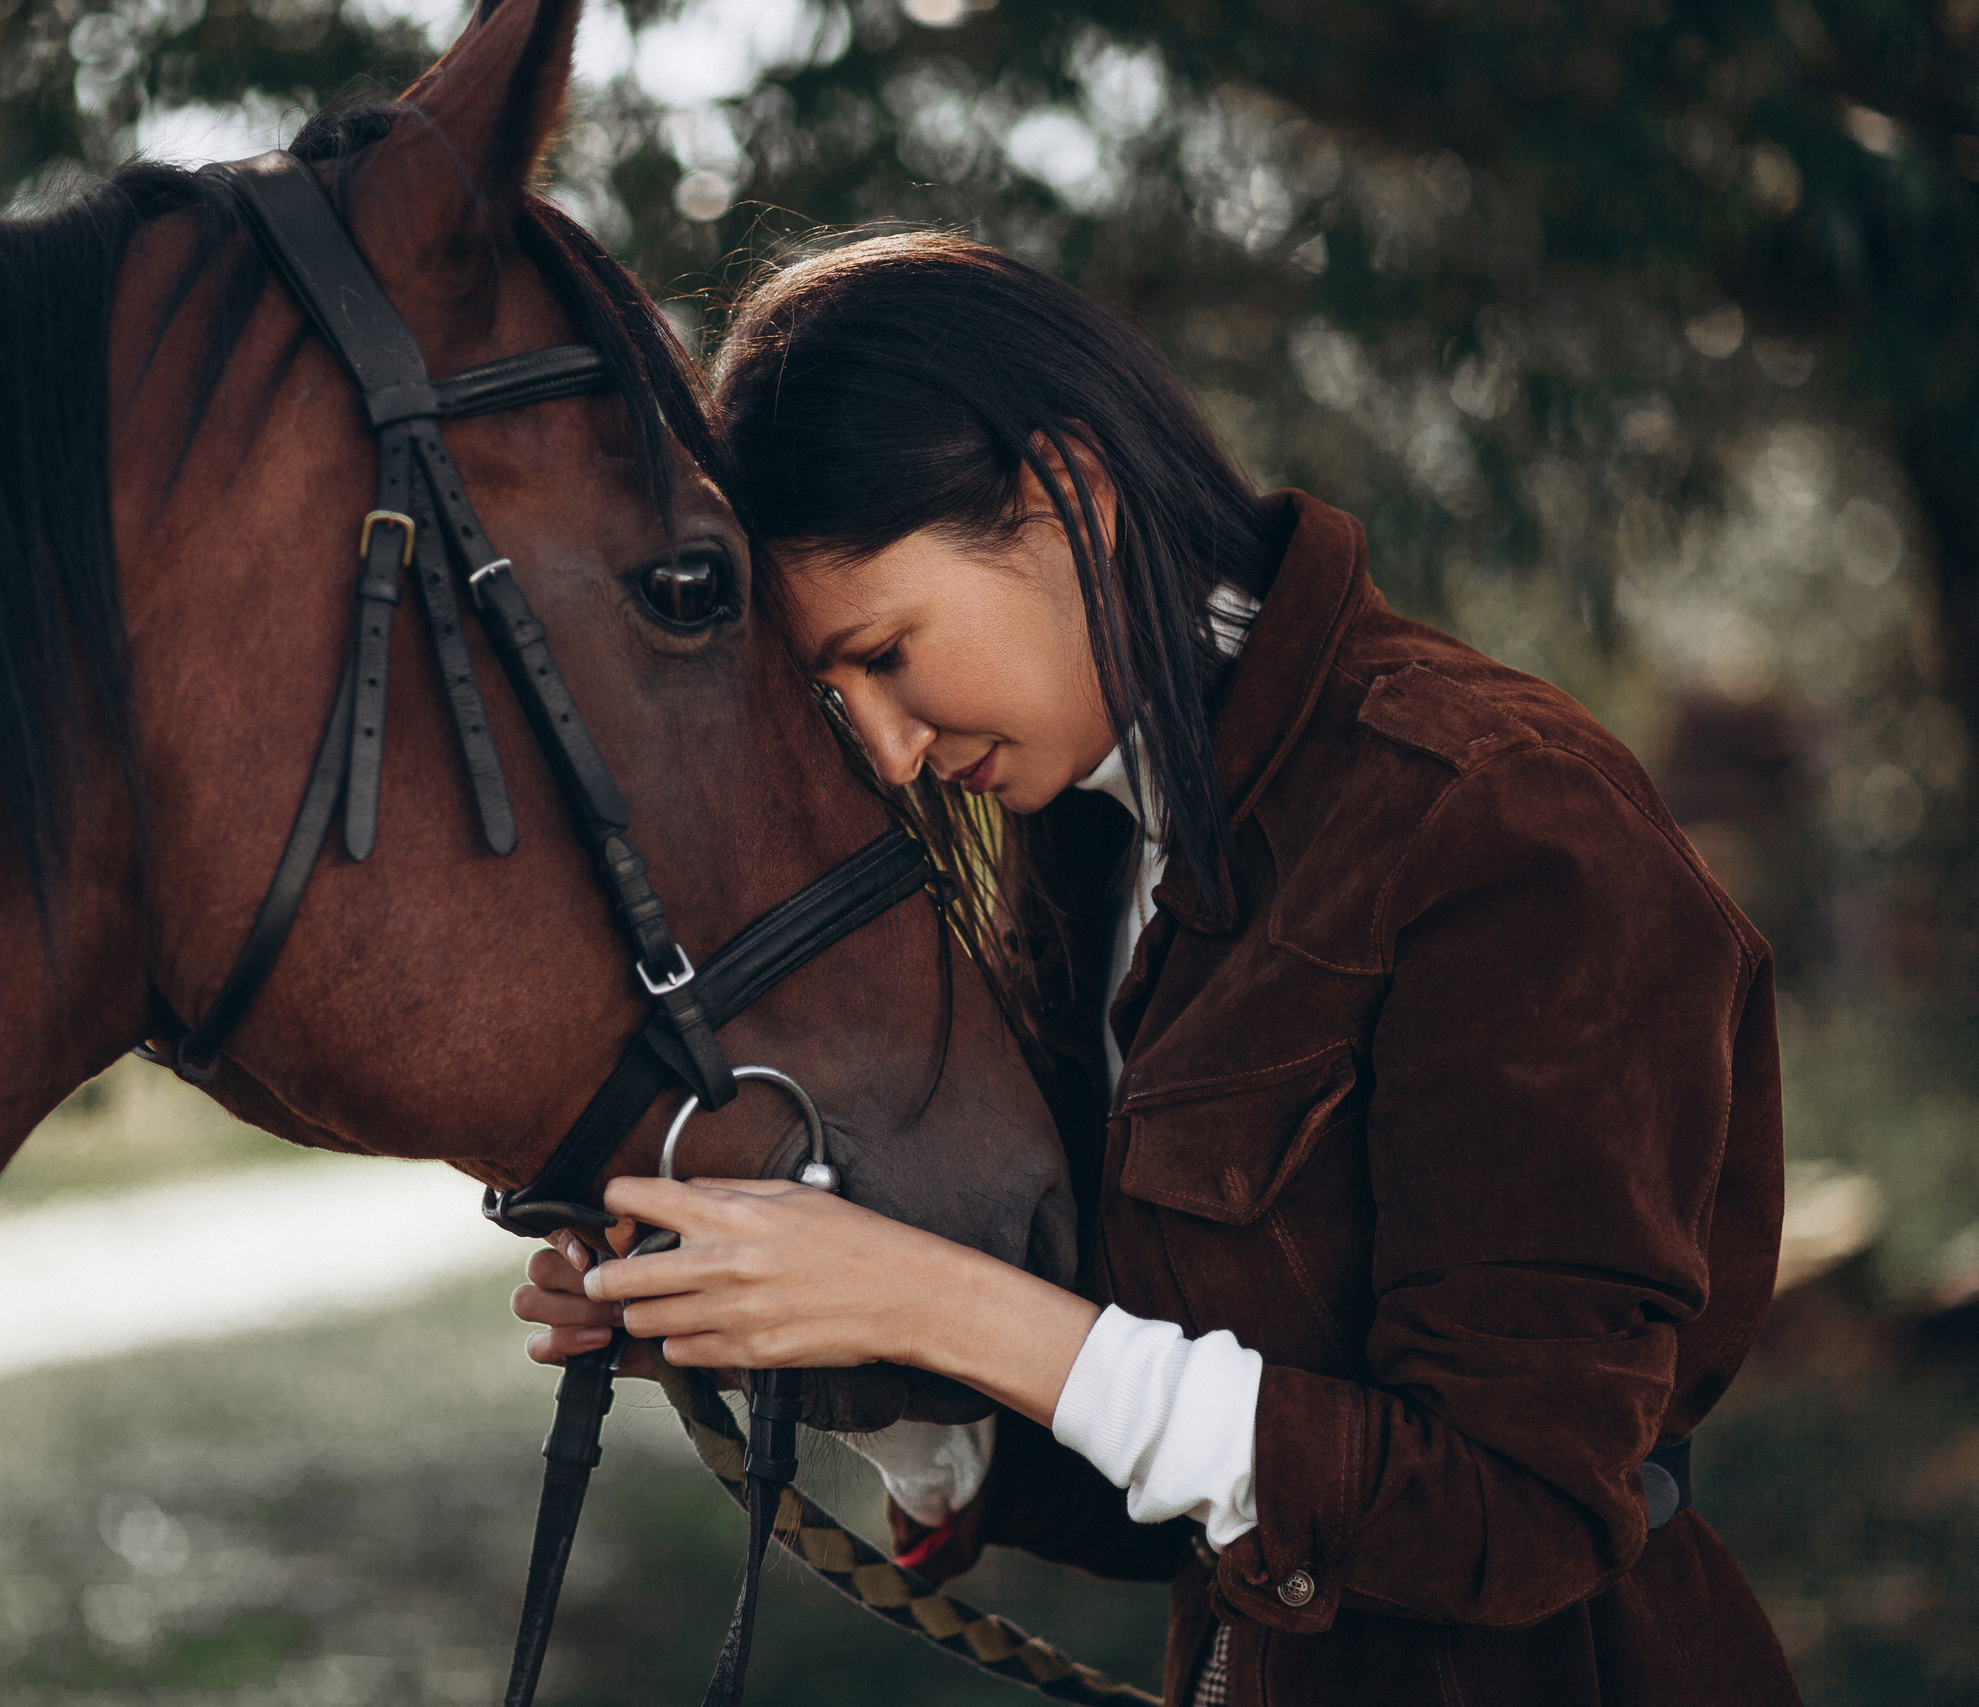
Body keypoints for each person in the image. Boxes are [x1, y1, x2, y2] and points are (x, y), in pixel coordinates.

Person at [512, 232, 1798, 1707]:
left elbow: (1520, 1510)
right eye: (831, 693)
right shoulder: (1094, 846)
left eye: (887, 652)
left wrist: (932, 1303)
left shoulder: (1495, 818)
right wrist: (804, 1335)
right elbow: (1177, 1476)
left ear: (1070, 493)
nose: (887, 750)